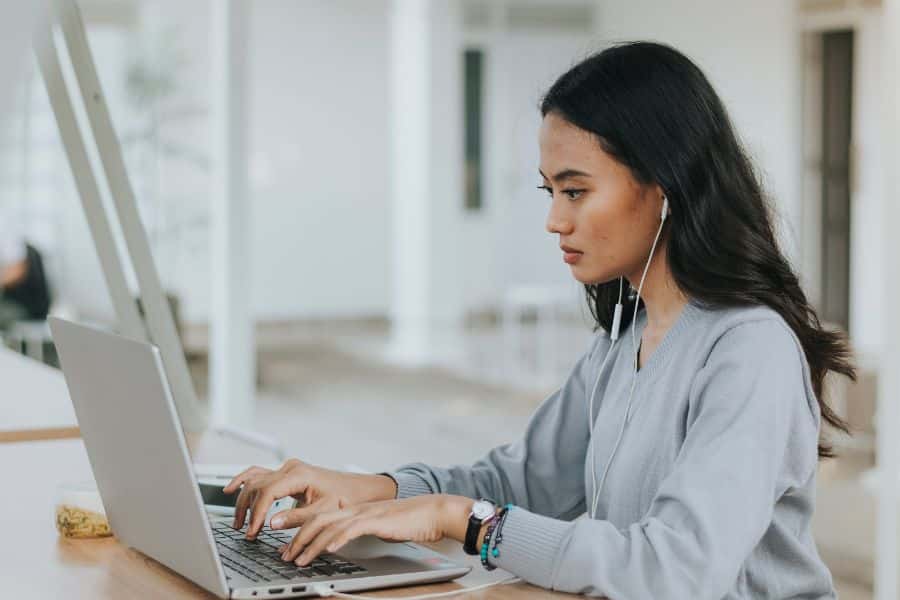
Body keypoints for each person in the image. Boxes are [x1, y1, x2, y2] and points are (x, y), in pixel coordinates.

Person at [224, 41, 855, 599]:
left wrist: (460, 519)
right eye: (548, 190)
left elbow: (675, 573)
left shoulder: (750, 351)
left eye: (576, 190)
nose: (555, 220)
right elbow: (517, 480)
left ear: (663, 186)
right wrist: (371, 490)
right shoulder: (625, 339)